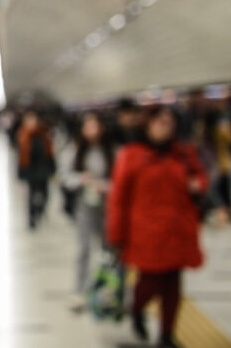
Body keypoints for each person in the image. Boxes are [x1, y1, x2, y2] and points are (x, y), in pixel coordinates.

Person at [107, 106, 208, 348]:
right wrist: (115, 236)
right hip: (147, 233)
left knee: (173, 284)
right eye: (159, 121)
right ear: (147, 125)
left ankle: (166, 335)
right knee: (149, 282)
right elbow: (118, 199)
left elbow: (201, 177)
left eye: (169, 121)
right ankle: (136, 309)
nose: (165, 126)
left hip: (178, 229)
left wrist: (198, 185)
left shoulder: (183, 153)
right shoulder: (131, 155)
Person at [61, 113, 114, 310]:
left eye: (95, 126)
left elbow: (120, 181)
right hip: (84, 205)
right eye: (88, 127)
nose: (92, 131)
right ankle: (79, 291)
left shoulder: (111, 151)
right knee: (83, 249)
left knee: (108, 250)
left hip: (107, 206)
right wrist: (80, 179)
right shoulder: (74, 150)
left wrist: (105, 186)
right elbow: (64, 176)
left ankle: (106, 289)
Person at [18, 111, 55, 229]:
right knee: (32, 195)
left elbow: (50, 153)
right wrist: (21, 174)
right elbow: (21, 157)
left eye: (32, 120)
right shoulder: (23, 136)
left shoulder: (43, 134)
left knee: (45, 193)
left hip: (43, 169)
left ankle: (40, 210)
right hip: (31, 171)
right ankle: (32, 218)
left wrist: (53, 168)